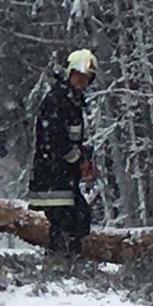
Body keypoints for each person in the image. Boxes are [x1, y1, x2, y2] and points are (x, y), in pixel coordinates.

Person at [27, 49, 98, 256]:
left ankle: (69, 265)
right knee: (65, 224)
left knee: (80, 219)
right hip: (52, 178)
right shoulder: (58, 100)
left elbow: (70, 138)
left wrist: (83, 157)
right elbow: (55, 139)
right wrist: (76, 159)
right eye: (79, 76)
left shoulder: (71, 102)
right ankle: (59, 269)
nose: (82, 82)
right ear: (69, 73)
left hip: (63, 178)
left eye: (86, 79)